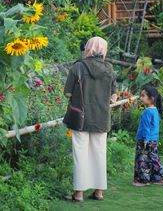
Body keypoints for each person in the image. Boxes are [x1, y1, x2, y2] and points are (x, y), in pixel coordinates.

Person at [63, 36, 118, 202]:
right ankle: (98, 192)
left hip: (81, 119)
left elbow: (67, 93)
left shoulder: (78, 67)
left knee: (80, 155)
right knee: (99, 155)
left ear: (88, 48)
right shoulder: (110, 69)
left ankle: (78, 194)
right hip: (101, 119)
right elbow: (114, 97)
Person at [132, 86, 163, 187]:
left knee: (142, 160)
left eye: (143, 96)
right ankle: (159, 179)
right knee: (153, 158)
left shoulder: (147, 112)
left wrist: (145, 140)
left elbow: (147, 128)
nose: (141, 98)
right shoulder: (155, 111)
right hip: (153, 140)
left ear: (151, 98)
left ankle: (142, 181)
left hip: (145, 140)